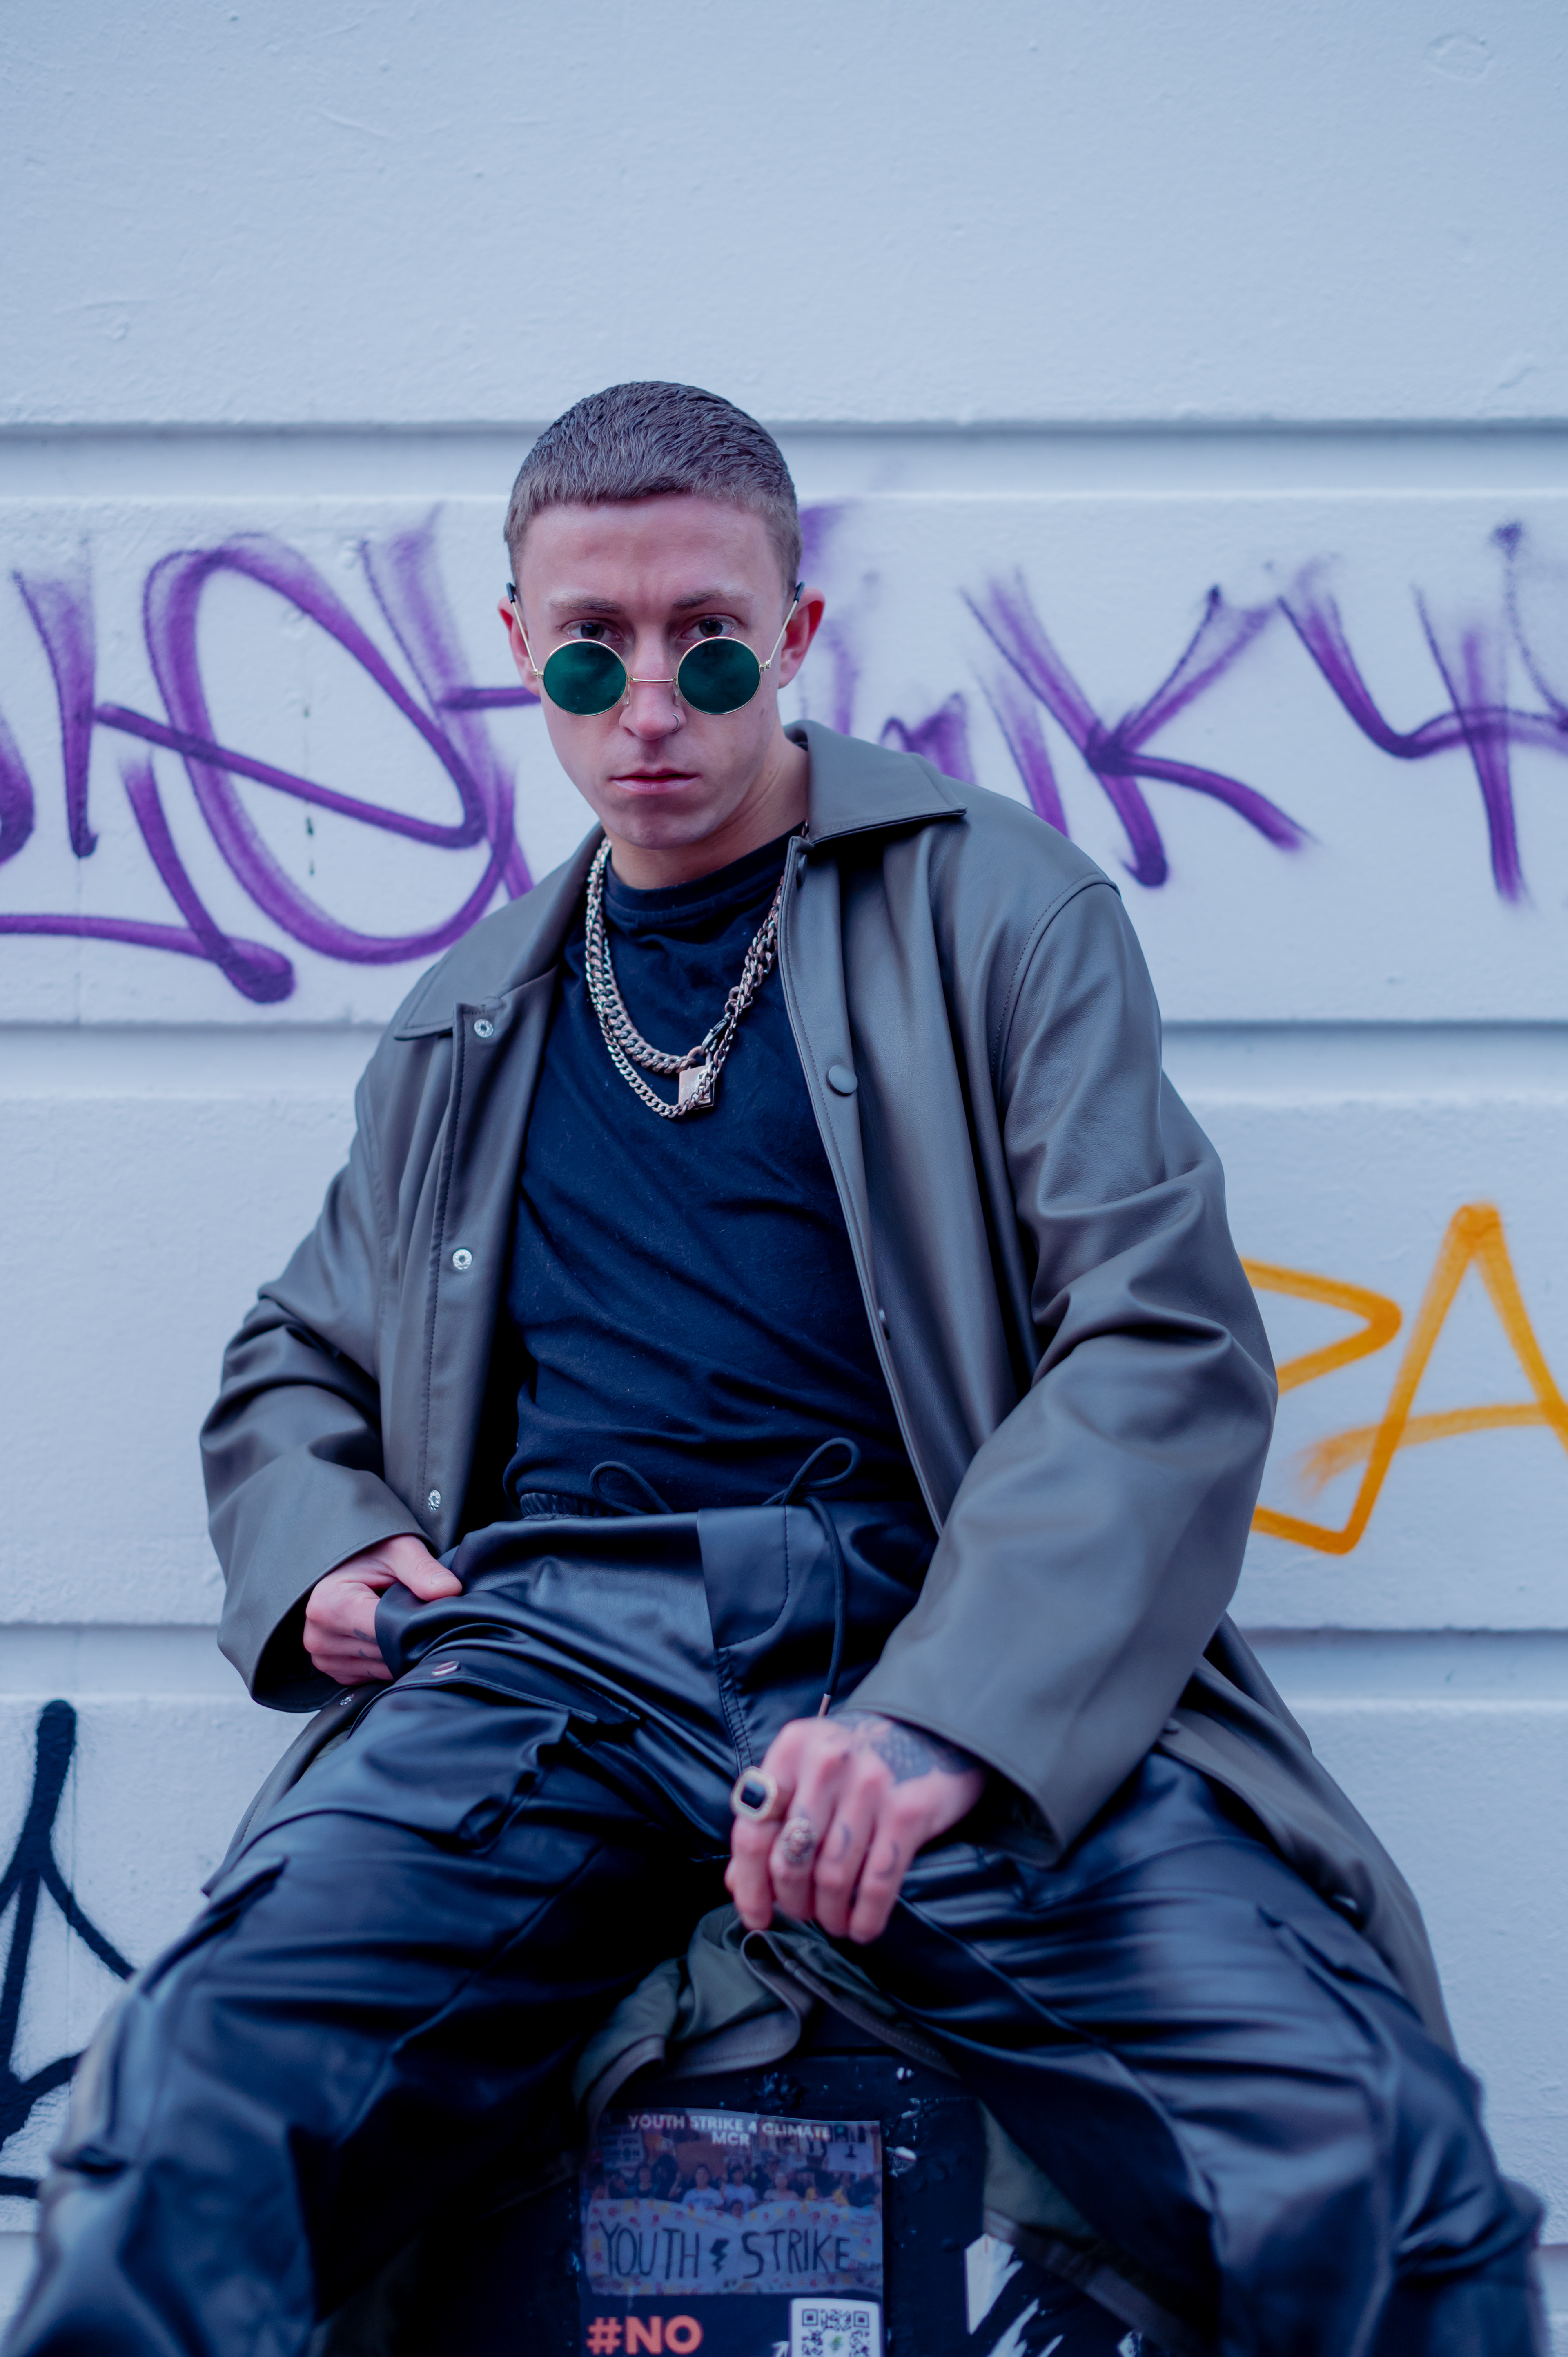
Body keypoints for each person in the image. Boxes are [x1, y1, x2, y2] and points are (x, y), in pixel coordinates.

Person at [7, 382, 1542, 2357]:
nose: (650, 703)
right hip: (545, 1663)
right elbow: (299, 1345)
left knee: (1369, 2165)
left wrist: (946, 1724)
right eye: (591, 650)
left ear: (796, 637)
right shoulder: (469, 1018)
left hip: (910, 1636)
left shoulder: (1000, 909)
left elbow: (1157, 1339)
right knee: (187, 2114)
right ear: (518, 659)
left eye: (707, 642)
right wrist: (324, 1548)